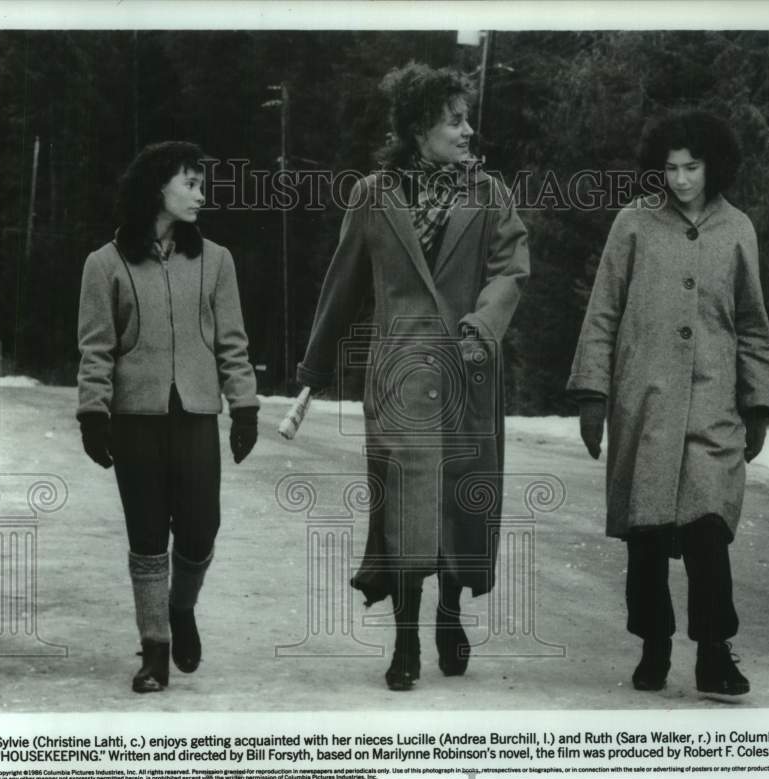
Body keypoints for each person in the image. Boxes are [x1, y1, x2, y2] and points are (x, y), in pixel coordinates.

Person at [297, 62, 530, 691]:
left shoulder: (490, 194)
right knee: (404, 506)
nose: (467, 129)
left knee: (460, 498)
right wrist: (314, 369)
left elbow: (510, 271)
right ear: (418, 128)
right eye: (453, 120)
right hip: (399, 372)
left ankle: (450, 614)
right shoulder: (374, 195)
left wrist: (482, 327)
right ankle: (404, 641)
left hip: (468, 368)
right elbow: (342, 286)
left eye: (466, 118)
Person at [567, 110, 769, 697]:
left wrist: (758, 402)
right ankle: (653, 644)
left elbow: (754, 325)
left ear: (714, 165)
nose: (681, 180)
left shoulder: (738, 229)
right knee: (649, 534)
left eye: (693, 167)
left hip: (714, 404)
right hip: (646, 400)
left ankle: (714, 653)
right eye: (671, 168)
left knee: (709, 527)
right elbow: (603, 312)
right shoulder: (633, 224)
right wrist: (592, 394)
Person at [76, 141, 260, 694]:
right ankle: (154, 649)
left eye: (201, 184)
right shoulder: (103, 265)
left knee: (202, 527)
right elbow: (96, 347)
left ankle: (182, 608)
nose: (201, 194)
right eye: (191, 183)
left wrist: (244, 404)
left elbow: (232, 342)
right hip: (136, 418)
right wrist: (93, 412)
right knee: (148, 535)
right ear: (158, 188)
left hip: (196, 413)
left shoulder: (216, 261)